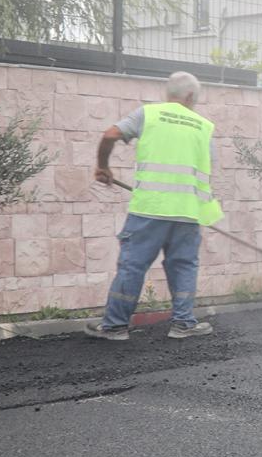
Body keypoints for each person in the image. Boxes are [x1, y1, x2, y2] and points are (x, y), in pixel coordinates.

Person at [88, 72, 222, 340]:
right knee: (184, 265)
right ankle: (183, 324)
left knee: (133, 265)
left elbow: (110, 134)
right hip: (187, 211)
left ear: (169, 93)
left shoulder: (149, 114)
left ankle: (115, 326)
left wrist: (103, 166)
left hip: (149, 208)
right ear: (191, 96)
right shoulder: (204, 126)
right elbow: (206, 168)